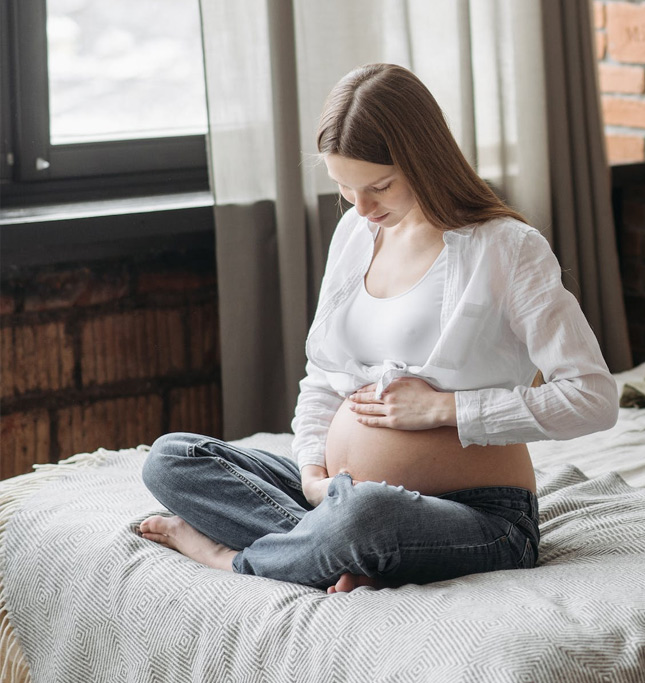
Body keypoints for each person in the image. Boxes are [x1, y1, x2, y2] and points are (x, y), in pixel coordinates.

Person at [137, 63, 618, 593]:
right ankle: (327, 545)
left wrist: (443, 408)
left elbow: (593, 397)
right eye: (344, 186)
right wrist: (312, 474)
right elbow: (323, 377)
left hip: (479, 517)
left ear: (423, 160)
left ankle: (234, 559)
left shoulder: (505, 248)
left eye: (379, 186)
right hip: (338, 498)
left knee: (367, 516)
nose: (361, 207)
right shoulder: (356, 233)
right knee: (172, 459)